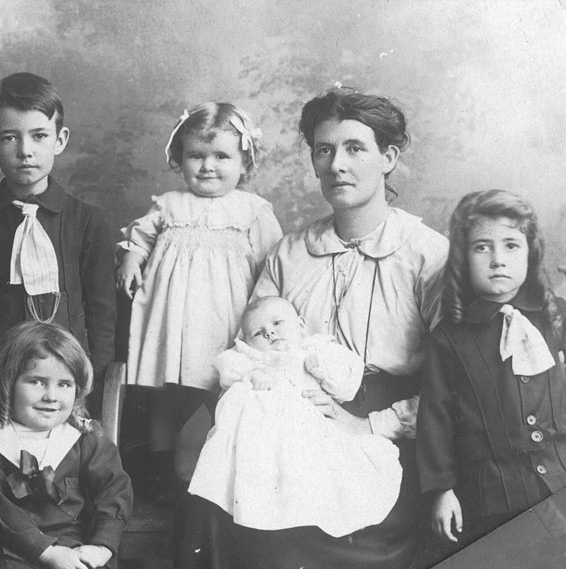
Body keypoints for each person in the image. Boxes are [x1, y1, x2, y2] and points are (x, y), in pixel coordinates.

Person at [175, 88, 449, 569]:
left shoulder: (426, 254)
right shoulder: (291, 252)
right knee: (219, 504)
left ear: (388, 158)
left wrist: (369, 423)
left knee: (298, 530)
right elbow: (251, 346)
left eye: (354, 148)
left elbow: (455, 383)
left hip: (392, 433)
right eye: (324, 150)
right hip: (287, 424)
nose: (336, 164)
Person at [417, 189, 566, 559]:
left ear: (530, 252)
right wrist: (442, 490)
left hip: (564, 473)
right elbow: (435, 418)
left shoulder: (555, 315)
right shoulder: (449, 339)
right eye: (482, 248)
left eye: (511, 246)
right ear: (462, 258)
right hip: (492, 492)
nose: (498, 260)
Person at [115, 102, 282, 503]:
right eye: (196, 156)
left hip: (222, 320)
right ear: (179, 160)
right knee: (166, 392)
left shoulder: (252, 211)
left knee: (219, 391)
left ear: (245, 162)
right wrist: (133, 257)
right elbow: (139, 236)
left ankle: (210, 469)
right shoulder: (170, 204)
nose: (207, 166)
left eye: (221, 156)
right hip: (172, 322)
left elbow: (274, 266)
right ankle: (157, 468)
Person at [0, 72, 115, 416]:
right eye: (9, 138)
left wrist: (94, 393)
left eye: (38, 136)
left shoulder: (87, 222)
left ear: (60, 140)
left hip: (67, 393)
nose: (25, 151)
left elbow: (102, 317)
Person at [188, 295, 402, 538]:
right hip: (264, 432)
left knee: (332, 468)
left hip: (308, 423)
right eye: (258, 333)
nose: (269, 333)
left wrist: (321, 369)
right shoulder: (253, 360)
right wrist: (252, 375)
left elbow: (346, 384)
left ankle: (339, 516)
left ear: (300, 325)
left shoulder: (315, 349)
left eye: (278, 323)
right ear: (246, 342)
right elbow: (229, 374)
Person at [0, 321, 133, 569]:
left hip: (78, 545)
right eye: (37, 382)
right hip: (12, 549)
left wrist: (102, 546)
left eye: (64, 384)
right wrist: (46, 552)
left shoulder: (86, 437)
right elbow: (2, 513)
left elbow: (113, 492)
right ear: (9, 384)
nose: (51, 396)